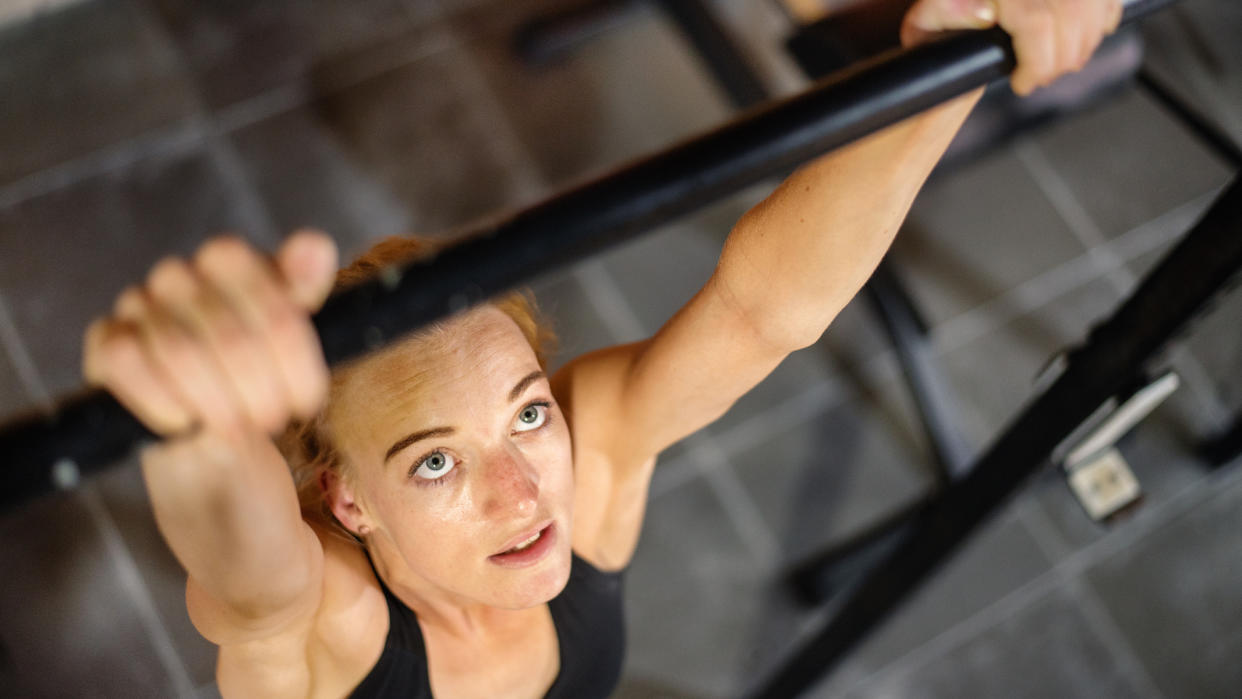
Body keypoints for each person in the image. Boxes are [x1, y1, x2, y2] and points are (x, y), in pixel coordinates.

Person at [81, 1, 1123, 696]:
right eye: (433, 461)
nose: (523, 490)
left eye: (528, 413)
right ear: (346, 500)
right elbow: (250, 582)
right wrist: (194, 430)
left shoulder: (592, 467)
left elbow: (765, 311)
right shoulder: (333, 631)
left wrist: (961, 55)